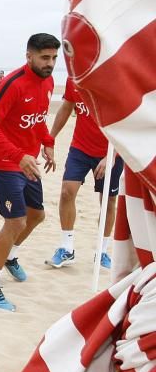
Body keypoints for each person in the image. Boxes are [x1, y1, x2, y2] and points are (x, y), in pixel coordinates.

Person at [0, 33, 59, 311]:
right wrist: (18, 155)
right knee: (15, 222)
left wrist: (47, 143)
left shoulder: (48, 81)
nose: (50, 63)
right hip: (3, 163)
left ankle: (10, 257)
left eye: (54, 58)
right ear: (29, 56)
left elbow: (38, 119)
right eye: (45, 57)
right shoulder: (12, 84)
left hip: (28, 161)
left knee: (37, 216)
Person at [45, 77, 123, 269]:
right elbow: (66, 108)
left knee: (108, 201)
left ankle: (102, 252)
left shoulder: (114, 77)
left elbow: (125, 121)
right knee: (66, 192)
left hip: (111, 151)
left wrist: (110, 155)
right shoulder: (75, 78)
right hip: (80, 148)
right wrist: (50, 139)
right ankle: (67, 248)